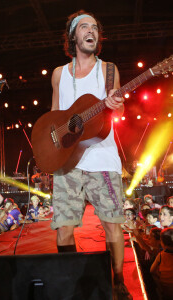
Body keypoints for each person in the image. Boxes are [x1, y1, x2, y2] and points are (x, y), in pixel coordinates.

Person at [50, 10, 131, 299]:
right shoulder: (60, 73)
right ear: (73, 35)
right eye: (85, 26)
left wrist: (116, 104)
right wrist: (53, 149)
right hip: (68, 162)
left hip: (103, 158)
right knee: (63, 227)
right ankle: (69, 281)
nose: (91, 31)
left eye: (95, 27)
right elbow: (55, 118)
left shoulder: (108, 70)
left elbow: (119, 109)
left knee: (112, 225)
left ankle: (118, 281)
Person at [150, 228, 173, 300]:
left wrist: (159, 280)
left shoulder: (161, 255)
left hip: (166, 289)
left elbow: (152, 271)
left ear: (162, 243)